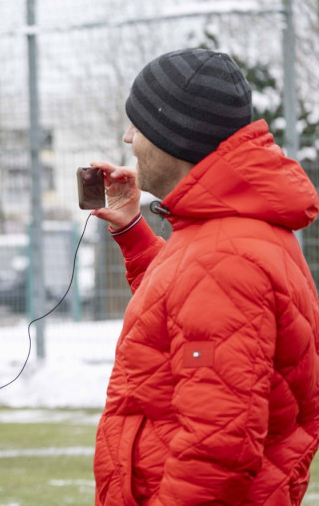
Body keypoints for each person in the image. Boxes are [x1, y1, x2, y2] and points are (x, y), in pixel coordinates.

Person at [90, 48, 319, 504]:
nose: (127, 137)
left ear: (175, 137)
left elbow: (219, 448)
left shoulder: (224, 257)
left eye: (138, 125)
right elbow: (187, 310)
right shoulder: (222, 235)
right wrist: (134, 233)